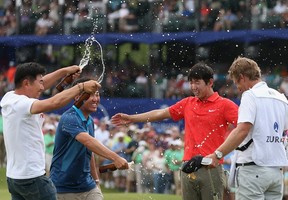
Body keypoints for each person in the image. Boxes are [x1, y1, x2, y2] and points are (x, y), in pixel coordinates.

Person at [111, 62, 239, 200]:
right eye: (191, 83)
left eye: (197, 82)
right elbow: (160, 113)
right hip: (187, 166)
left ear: (210, 82)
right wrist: (132, 118)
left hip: (211, 168)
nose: (193, 87)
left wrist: (220, 154)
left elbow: (243, 128)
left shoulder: (225, 105)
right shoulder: (188, 103)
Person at [0, 62, 100, 200]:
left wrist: (64, 71)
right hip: (33, 177)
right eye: (39, 82)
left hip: (15, 179)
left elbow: (43, 83)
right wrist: (81, 87)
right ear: (26, 83)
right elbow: (54, 103)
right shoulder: (22, 104)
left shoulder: (10, 97)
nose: (42, 87)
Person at [206, 56, 288, 200]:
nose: (237, 87)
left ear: (242, 77)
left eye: (236, 82)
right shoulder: (281, 98)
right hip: (276, 171)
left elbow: (242, 130)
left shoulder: (250, 95)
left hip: (253, 169)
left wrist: (217, 154)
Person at [50, 77, 129, 200]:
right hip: (63, 187)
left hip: (87, 186)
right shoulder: (69, 118)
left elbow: (89, 151)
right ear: (77, 97)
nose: (95, 99)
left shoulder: (90, 121)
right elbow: (88, 141)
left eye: (97, 95)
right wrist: (116, 158)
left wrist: (96, 180)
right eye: (90, 95)